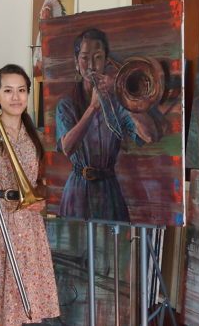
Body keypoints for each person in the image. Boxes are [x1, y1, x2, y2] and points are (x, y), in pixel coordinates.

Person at [0, 64, 59, 325]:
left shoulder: (36, 137)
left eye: (22, 90)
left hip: (28, 221)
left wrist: (42, 200)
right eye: (8, 91)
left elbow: (43, 183)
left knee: (24, 289)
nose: (16, 97)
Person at [56, 28, 160, 222]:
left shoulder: (117, 102)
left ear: (106, 61)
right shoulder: (66, 105)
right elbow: (67, 147)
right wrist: (93, 108)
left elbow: (150, 136)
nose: (91, 65)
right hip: (77, 191)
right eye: (85, 58)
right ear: (76, 63)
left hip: (108, 191)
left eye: (97, 57)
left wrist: (122, 94)